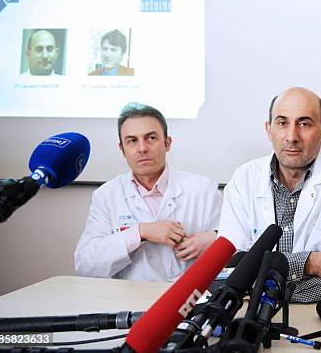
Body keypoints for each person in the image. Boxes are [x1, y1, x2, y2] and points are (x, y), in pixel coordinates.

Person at [218, 87, 321, 302]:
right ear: (268, 129)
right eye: (282, 123)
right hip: (251, 314)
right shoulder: (243, 178)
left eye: (304, 124)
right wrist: (311, 262)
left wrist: (263, 279)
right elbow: (233, 267)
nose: (292, 137)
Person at [75, 103, 221, 281]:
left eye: (151, 138)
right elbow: (86, 264)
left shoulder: (202, 189)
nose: (142, 148)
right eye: (132, 141)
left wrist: (213, 240)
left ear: (167, 143)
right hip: (126, 301)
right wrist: (139, 232)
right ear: (122, 149)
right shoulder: (107, 195)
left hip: (189, 301)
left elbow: (238, 246)